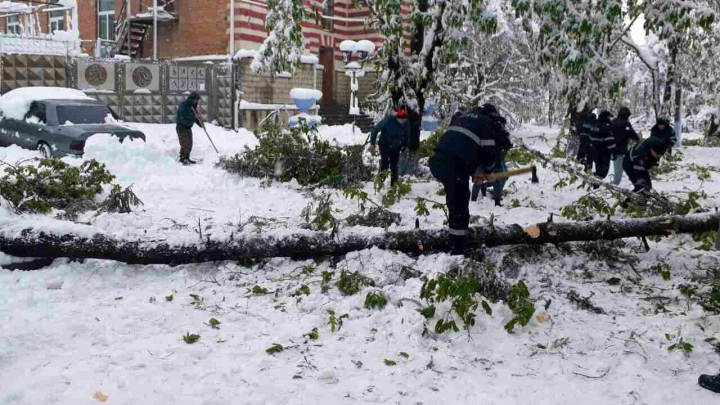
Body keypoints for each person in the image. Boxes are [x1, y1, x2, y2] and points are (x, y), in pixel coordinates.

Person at [429, 105, 500, 255]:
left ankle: (456, 241)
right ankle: (457, 251)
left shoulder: (464, 118)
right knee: (459, 207)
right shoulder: (486, 126)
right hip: (453, 165)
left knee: (457, 200)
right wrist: (488, 171)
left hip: (437, 161)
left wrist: (476, 170)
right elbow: (489, 155)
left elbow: (463, 145)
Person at [475, 104, 512, 206]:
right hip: (494, 156)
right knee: (499, 178)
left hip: (484, 155)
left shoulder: (485, 123)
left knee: (502, 176)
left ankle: (484, 189)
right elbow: (506, 144)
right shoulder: (495, 127)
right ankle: (496, 200)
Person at [621, 136, 670, 207]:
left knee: (647, 186)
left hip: (641, 164)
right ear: (652, 149)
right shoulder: (640, 154)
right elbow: (638, 172)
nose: (658, 157)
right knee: (641, 187)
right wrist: (641, 184)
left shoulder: (658, 144)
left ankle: (637, 202)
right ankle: (629, 205)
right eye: (657, 155)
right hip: (630, 165)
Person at [369, 108, 411, 186]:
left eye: (405, 118)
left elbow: (407, 135)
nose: (403, 121)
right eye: (402, 119)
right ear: (397, 117)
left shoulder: (406, 123)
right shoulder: (389, 120)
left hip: (396, 146)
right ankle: (380, 183)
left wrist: (406, 146)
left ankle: (394, 186)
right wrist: (372, 143)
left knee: (394, 166)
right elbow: (375, 129)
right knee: (385, 164)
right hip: (384, 144)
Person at [610, 106, 640, 185]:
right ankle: (616, 183)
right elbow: (632, 134)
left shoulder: (613, 122)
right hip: (621, 148)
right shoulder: (625, 123)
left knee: (616, 165)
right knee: (620, 167)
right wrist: (638, 140)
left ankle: (616, 181)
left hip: (613, 148)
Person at [589, 110, 615, 184]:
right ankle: (595, 185)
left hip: (595, 150)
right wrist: (613, 151)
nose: (610, 119)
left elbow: (590, 137)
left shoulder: (594, 125)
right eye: (609, 117)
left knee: (598, 168)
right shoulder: (605, 127)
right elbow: (610, 140)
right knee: (603, 171)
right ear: (606, 117)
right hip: (604, 152)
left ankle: (594, 183)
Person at [176, 92, 202, 165]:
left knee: (189, 144)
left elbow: (196, 118)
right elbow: (183, 116)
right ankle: (182, 158)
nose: (197, 102)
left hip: (188, 127)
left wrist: (201, 124)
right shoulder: (184, 105)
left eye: (197, 100)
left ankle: (186, 158)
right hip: (181, 127)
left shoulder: (193, 106)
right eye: (195, 100)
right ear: (191, 99)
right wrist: (193, 115)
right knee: (185, 144)